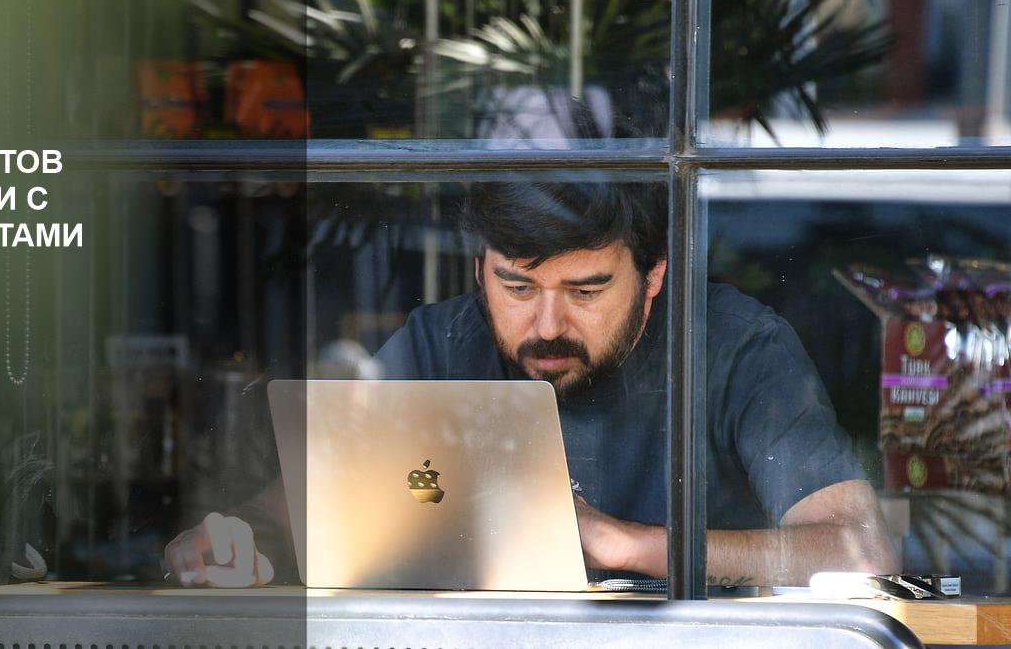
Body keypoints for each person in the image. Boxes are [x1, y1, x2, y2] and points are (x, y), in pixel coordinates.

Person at [165, 181, 897, 587]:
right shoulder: (439, 342)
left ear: (654, 276)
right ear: (479, 269)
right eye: (517, 286)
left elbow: (858, 551)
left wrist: (620, 543)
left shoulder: (736, 347)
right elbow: (306, 508)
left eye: (586, 290)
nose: (546, 324)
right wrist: (228, 541)